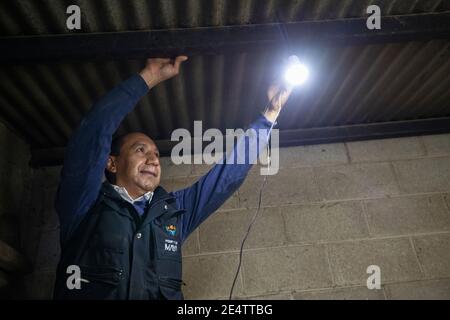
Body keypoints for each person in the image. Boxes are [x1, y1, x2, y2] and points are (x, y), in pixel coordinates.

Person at [53, 56, 292, 299]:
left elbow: (225, 177)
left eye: (156, 154)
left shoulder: (174, 213)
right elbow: (93, 132)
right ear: (112, 163)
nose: (154, 159)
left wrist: (269, 115)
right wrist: (146, 78)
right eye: (140, 150)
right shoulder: (84, 203)